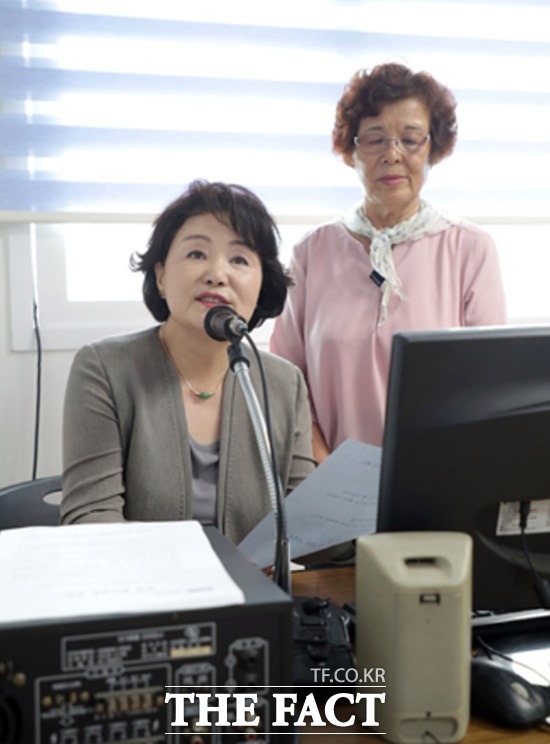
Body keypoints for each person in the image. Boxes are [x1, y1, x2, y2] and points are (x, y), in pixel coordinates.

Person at [270, 62, 507, 462]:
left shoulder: (470, 249)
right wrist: (323, 468)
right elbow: (285, 383)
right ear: (352, 150)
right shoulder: (312, 252)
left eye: (410, 139)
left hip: (437, 479)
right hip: (325, 479)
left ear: (434, 148)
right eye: (375, 138)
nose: (392, 154)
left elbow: (488, 390)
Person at [61, 180, 316, 545]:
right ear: (161, 276)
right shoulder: (103, 369)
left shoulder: (283, 383)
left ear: (261, 286)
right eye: (197, 254)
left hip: (258, 595)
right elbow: (90, 519)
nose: (216, 273)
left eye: (239, 259)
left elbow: (307, 525)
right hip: (147, 595)